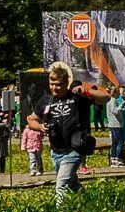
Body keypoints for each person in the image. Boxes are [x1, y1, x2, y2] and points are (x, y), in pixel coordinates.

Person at [26, 63, 110, 204]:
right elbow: (32, 120)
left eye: (58, 84)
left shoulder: (77, 97)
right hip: (56, 151)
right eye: (51, 84)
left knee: (61, 184)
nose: (54, 88)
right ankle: (91, 203)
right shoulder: (46, 101)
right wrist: (40, 127)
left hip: (75, 149)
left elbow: (106, 97)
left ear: (66, 83)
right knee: (71, 183)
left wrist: (86, 91)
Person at [107, 88, 125, 167]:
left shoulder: (111, 101)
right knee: (120, 142)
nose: (119, 94)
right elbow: (115, 111)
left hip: (113, 124)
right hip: (116, 124)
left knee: (114, 142)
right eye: (118, 92)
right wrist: (121, 106)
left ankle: (113, 158)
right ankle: (117, 158)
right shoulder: (113, 101)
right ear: (115, 93)